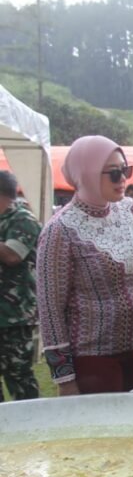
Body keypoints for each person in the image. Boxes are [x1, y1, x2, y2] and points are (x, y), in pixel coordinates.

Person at [37, 136, 133, 395]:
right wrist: (65, 379)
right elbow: (50, 310)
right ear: (85, 173)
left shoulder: (132, 211)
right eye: (113, 173)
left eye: (125, 170)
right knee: (103, 421)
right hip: (93, 361)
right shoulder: (60, 230)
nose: (122, 179)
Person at [0, 170, 42, 401]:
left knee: (19, 376)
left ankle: (31, 419)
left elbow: (12, 255)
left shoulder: (23, 219)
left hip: (14, 316)